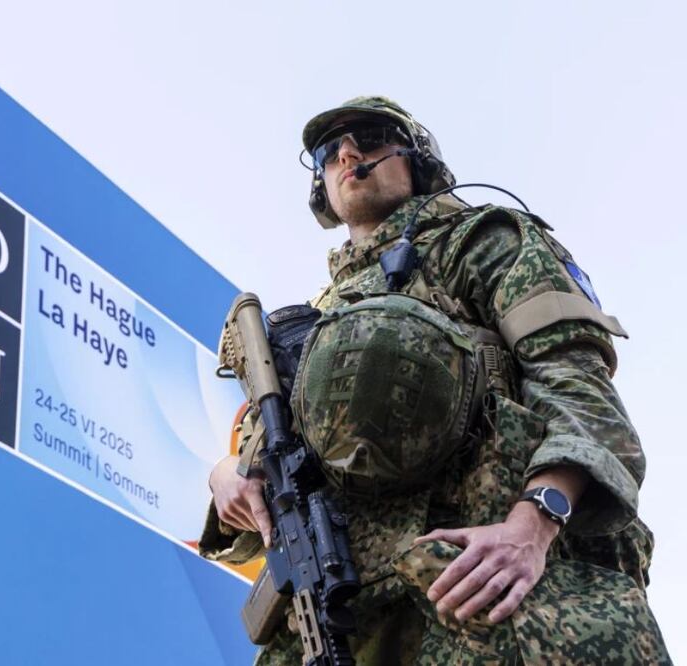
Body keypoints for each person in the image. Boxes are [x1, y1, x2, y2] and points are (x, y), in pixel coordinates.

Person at [199, 96, 669, 664]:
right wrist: (228, 476)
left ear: (416, 158)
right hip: (345, 610)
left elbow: (574, 380)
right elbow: (265, 453)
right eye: (330, 151)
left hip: (476, 582)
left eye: (369, 137)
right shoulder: (316, 321)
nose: (348, 153)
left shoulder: (482, 241)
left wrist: (535, 521)